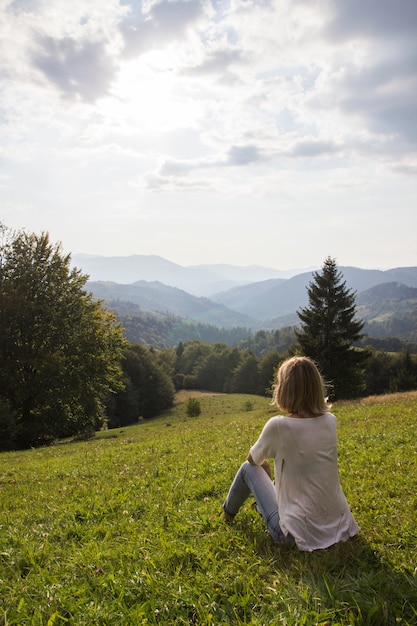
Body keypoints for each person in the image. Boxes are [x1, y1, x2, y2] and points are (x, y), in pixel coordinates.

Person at [222, 356, 359, 551]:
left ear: (285, 390)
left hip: (294, 535)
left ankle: (226, 514)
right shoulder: (330, 421)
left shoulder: (279, 425)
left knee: (247, 469)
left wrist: (265, 466)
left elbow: (252, 459)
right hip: (340, 527)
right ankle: (256, 508)